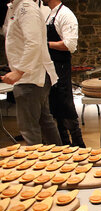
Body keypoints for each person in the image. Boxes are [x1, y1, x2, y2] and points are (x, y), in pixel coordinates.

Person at [1, 0, 61, 145]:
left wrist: (19, 71)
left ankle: (39, 164)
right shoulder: (14, 8)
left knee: (29, 128)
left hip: (31, 77)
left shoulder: (26, 8)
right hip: (30, 75)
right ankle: (62, 158)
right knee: (45, 122)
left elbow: (33, 42)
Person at [43, 0, 86, 147]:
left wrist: (45, 44)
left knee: (65, 104)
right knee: (56, 107)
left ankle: (79, 145)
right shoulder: (50, 15)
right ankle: (64, 146)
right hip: (51, 66)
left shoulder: (65, 15)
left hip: (61, 66)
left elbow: (70, 45)